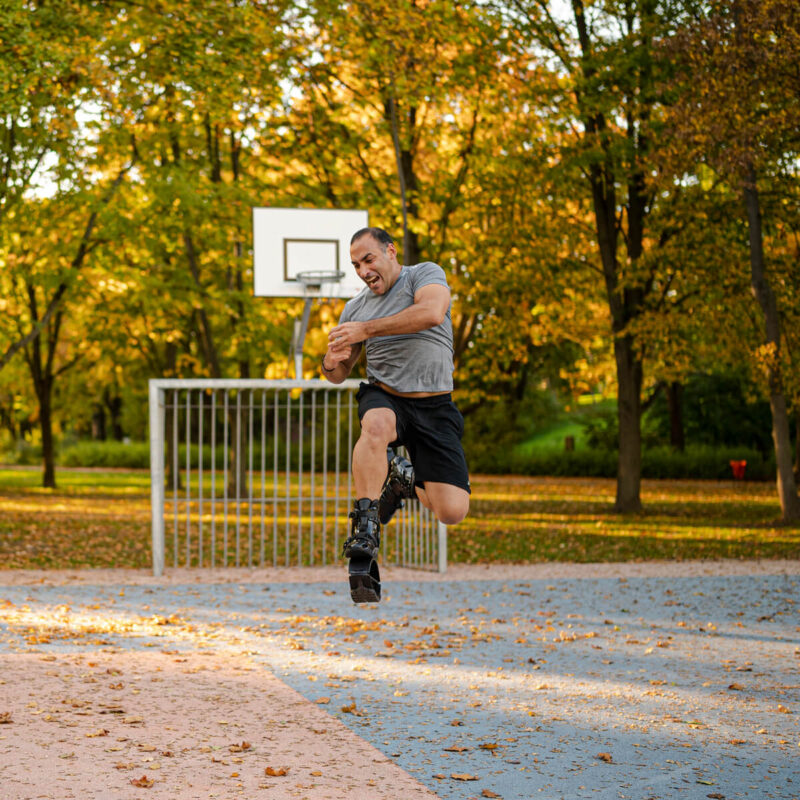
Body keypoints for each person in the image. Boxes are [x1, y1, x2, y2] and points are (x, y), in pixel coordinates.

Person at [320, 227, 470, 595]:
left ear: (390, 252)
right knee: (375, 425)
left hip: (435, 405)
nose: (363, 270)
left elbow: (433, 312)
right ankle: (366, 522)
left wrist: (366, 330)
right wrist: (330, 361)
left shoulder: (423, 275)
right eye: (355, 265)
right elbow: (338, 374)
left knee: (451, 511)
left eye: (368, 260)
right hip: (386, 396)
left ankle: (402, 480)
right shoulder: (354, 308)